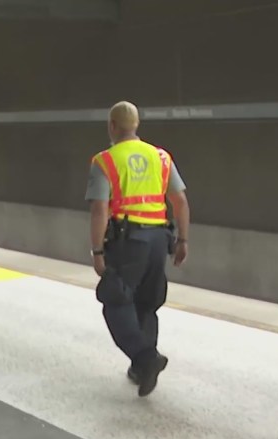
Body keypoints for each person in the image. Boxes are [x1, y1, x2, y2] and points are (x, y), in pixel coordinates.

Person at [85, 100, 191, 397]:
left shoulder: (105, 161)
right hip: (159, 240)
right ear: (136, 126)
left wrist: (97, 252)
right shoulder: (161, 157)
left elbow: (99, 209)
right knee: (147, 302)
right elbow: (180, 201)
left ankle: (146, 359)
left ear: (112, 126)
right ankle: (140, 367)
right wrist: (183, 240)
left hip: (127, 242)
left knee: (116, 300)